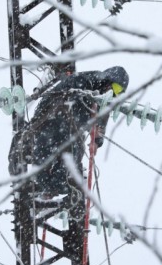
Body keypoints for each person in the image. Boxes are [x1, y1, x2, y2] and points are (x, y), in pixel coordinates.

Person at [9, 66, 129, 197]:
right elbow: (67, 93)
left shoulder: (103, 97)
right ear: (108, 80)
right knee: (46, 150)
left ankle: (61, 186)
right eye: (116, 88)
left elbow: (103, 117)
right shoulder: (86, 80)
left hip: (70, 128)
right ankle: (46, 184)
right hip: (52, 118)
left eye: (120, 93)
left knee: (73, 155)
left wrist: (97, 140)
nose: (115, 93)